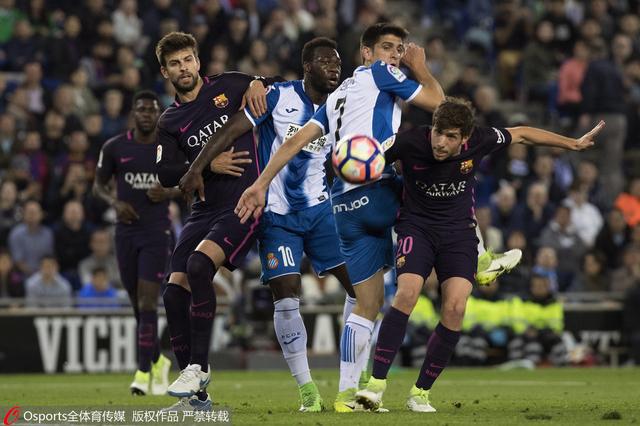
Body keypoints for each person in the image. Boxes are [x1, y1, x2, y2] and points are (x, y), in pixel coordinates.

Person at [234, 23, 518, 411]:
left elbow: (294, 141)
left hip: (343, 203)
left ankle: (348, 394)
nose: (396, 55)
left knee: (365, 301)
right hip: (380, 190)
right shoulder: (383, 75)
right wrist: (420, 66)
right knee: (445, 185)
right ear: (366, 53)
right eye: (388, 48)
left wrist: (261, 183)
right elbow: (443, 105)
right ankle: (481, 259)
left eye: (401, 49)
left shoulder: (335, 99)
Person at [355, 97, 604, 412]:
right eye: (438, 132)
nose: (441, 142)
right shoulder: (410, 141)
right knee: (407, 294)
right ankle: (375, 387)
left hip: (458, 234)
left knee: (456, 309)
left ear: (464, 138)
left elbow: (523, 133)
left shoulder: (481, 139)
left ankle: (420, 392)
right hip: (416, 228)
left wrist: (573, 143)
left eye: (450, 137)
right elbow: (368, 164)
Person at [179, 37, 353, 412]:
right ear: (307, 67)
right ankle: (308, 390)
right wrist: (196, 167)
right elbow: (229, 131)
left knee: (360, 286)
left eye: (338, 62)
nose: (335, 68)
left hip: (323, 212)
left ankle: (355, 380)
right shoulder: (278, 97)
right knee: (287, 293)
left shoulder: (344, 105)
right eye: (326, 62)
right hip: (276, 215)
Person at [153, 31, 277, 411]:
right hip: (203, 212)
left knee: (198, 266)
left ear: (198, 61)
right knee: (174, 293)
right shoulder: (169, 121)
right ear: (165, 72)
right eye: (175, 63)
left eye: (188, 59)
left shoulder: (228, 86)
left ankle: (199, 367)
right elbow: (164, 172)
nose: (183, 68)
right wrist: (206, 166)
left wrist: (258, 81)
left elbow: (271, 86)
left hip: (242, 204)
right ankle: (198, 398)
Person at [94, 91, 179, 396]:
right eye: (141, 109)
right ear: (133, 113)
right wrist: (114, 202)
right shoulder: (115, 146)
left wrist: (169, 193)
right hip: (125, 233)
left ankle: (142, 372)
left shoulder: (168, 146)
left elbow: (189, 181)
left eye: (152, 110)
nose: (146, 114)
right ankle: (157, 361)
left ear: (159, 114)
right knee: (137, 306)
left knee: (146, 304)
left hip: (156, 233)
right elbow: (98, 186)